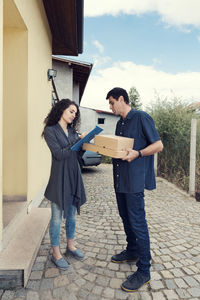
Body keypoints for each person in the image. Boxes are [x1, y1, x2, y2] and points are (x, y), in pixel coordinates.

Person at [106, 87, 163, 292]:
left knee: (138, 223)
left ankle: (144, 270)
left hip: (134, 182)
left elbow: (158, 145)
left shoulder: (141, 117)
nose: (110, 107)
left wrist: (137, 153)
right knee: (125, 217)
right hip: (120, 181)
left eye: (112, 102)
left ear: (122, 99)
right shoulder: (120, 123)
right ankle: (132, 250)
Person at [42, 99, 87, 270]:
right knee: (55, 218)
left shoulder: (73, 132)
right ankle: (56, 253)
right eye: (71, 111)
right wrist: (77, 143)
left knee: (72, 215)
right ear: (61, 110)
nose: (73, 115)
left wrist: (83, 143)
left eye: (75, 113)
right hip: (59, 178)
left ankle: (70, 246)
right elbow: (59, 154)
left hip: (74, 176)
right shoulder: (50, 131)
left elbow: (76, 155)